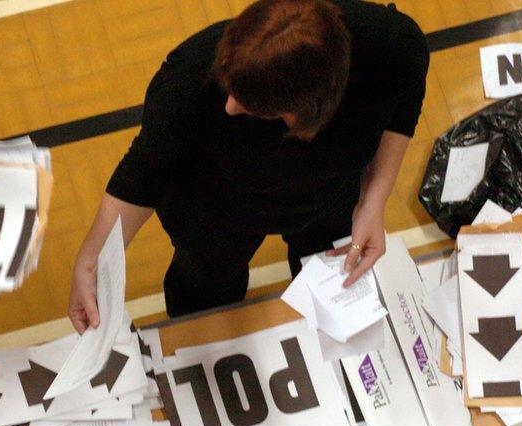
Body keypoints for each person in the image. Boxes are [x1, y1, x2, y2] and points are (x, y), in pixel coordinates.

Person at [69, 0, 429, 330]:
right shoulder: (190, 81)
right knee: (206, 287)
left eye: (250, 104)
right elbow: (146, 169)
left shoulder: (392, 46)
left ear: (303, 111)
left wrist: (372, 202)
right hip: (214, 206)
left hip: (329, 195)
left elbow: (403, 108)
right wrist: (89, 261)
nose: (230, 107)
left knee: (329, 283)